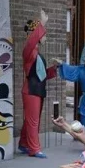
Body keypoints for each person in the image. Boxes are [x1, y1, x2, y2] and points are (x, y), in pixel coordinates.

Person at [18, 9, 60, 159]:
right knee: (33, 121)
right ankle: (34, 149)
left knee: (31, 120)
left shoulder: (37, 54)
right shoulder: (28, 51)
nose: (45, 37)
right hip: (31, 90)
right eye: (43, 34)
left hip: (37, 89)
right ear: (35, 34)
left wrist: (54, 69)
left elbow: (42, 76)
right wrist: (41, 24)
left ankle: (23, 143)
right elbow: (31, 41)